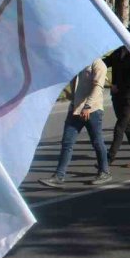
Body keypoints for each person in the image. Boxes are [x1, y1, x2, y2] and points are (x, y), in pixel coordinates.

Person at [40, 58, 113, 187]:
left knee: (97, 141)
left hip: (92, 110)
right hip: (75, 109)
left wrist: (88, 106)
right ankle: (59, 176)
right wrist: (71, 95)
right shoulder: (79, 62)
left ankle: (104, 172)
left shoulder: (98, 64)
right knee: (67, 142)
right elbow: (76, 83)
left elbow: (98, 86)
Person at [103, 46, 130, 168]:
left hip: (129, 94)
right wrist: (92, 60)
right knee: (127, 125)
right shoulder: (118, 52)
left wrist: (119, 86)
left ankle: (108, 159)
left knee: (120, 126)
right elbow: (106, 62)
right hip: (117, 94)